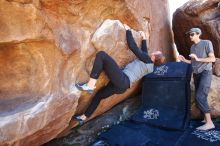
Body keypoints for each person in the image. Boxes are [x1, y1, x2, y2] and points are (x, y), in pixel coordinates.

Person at [73, 24, 166, 125]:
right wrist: (144, 38)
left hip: (123, 80)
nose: (154, 51)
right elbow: (144, 52)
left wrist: (128, 30)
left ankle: (90, 85)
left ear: (154, 56)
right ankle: (84, 117)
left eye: (156, 52)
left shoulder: (147, 59)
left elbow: (133, 46)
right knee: (99, 96)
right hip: (122, 87)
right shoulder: (150, 65)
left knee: (102, 55)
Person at [178, 27, 216, 130]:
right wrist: (184, 60)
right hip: (196, 74)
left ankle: (209, 123)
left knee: (200, 96)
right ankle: (205, 118)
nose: (190, 36)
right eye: (189, 34)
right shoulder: (192, 48)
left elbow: (212, 58)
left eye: (192, 34)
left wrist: (198, 58)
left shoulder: (206, 43)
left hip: (205, 72)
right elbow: (193, 62)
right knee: (200, 96)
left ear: (198, 34)